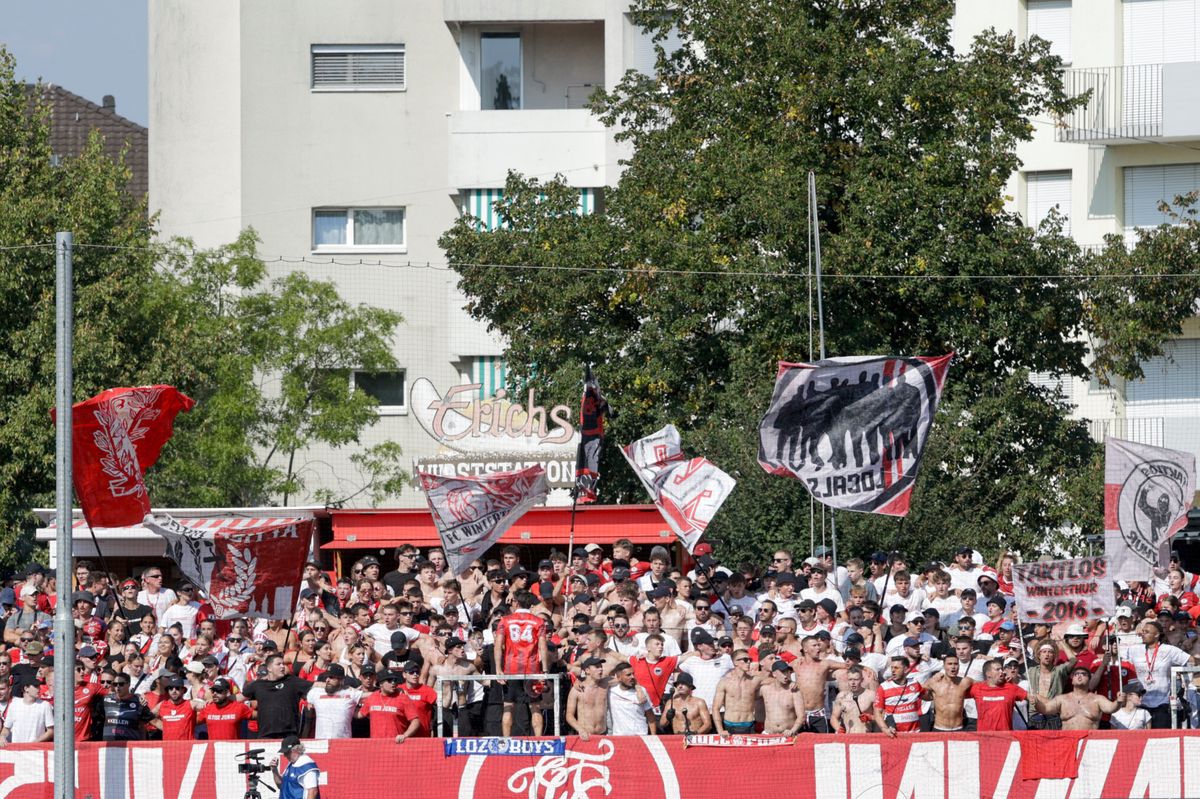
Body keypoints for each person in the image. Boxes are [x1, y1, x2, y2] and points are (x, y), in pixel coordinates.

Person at [495, 591, 550, 737]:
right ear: (531, 605)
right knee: (535, 707)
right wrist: (544, 670)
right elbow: (542, 647)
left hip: (511, 669)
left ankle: (506, 741)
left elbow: (497, 644)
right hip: (532, 669)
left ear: (516, 602)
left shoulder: (504, 620)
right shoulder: (539, 622)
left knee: (508, 706)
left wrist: (498, 669)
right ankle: (538, 740)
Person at [1125, 620, 1196, 728]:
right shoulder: (1134, 650)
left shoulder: (1169, 650)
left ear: (1157, 635)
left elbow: (1192, 661)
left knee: (1161, 740)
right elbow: (1121, 664)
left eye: (1147, 632)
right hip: (1140, 704)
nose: (1143, 634)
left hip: (1162, 704)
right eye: (1143, 631)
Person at [243, 654, 313, 739]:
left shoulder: (292, 681)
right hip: (266, 735)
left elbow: (315, 685)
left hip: (289, 735)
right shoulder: (258, 685)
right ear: (269, 668)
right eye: (278, 664)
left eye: (283, 664)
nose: (282, 666)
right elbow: (240, 698)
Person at [1032, 665, 1122, 730]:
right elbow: (1045, 709)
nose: (1079, 675)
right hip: (1067, 743)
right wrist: (1036, 703)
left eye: (1083, 674)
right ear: (1072, 681)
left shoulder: (1098, 699)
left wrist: (1118, 701)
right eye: (1076, 674)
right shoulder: (1062, 699)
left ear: (1089, 680)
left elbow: (1111, 708)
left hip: (1089, 743)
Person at [712, 649, 767, 736]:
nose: (748, 662)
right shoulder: (724, 682)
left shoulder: (755, 680)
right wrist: (720, 730)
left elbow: (774, 680)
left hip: (750, 725)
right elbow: (715, 708)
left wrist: (791, 684)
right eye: (745, 660)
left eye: (750, 660)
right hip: (729, 725)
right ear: (735, 662)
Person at [305, 664, 361, 740]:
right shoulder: (315, 692)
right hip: (322, 745)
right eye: (327, 677)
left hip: (343, 744)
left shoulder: (350, 692)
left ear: (341, 680)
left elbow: (369, 696)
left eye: (331, 677)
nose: (327, 680)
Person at [968, 660, 1026, 732]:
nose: (1002, 671)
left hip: (1005, 737)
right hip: (984, 738)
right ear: (988, 673)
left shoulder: (1011, 687)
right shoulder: (977, 688)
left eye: (1001, 669)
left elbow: (1032, 697)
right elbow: (957, 695)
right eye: (997, 669)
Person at [924, 653, 975, 732]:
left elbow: (985, 686)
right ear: (944, 666)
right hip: (939, 728)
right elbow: (917, 692)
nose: (953, 667)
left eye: (956, 664)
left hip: (959, 728)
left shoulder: (965, 682)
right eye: (949, 664)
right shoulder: (934, 682)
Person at [875, 656, 924, 737]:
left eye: (896, 668)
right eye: (892, 668)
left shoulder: (915, 683)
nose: (893, 670)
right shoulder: (883, 687)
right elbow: (877, 712)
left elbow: (927, 697)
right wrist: (884, 729)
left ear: (906, 669)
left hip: (915, 734)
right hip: (895, 735)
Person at [101, 672, 154, 741]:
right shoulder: (105, 700)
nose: (118, 687)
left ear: (128, 684)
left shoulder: (138, 701)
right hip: (109, 746)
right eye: (115, 684)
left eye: (121, 684)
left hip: (130, 746)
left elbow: (147, 722)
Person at [606, 662, 655, 735]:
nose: (632, 677)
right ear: (619, 677)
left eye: (633, 674)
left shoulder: (641, 691)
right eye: (628, 675)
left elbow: (650, 716)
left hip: (640, 736)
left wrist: (654, 737)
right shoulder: (611, 691)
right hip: (619, 738)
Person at [566, 657, 608, 741]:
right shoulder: (577, 690)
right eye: (597, 667)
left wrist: (636, 686)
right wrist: (580, 730)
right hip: (585, 736)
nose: (601, 669)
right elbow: (569, 715)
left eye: (601, 666)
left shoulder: (606, 684)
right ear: (587, 671)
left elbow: (622, 677)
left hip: (603, 735)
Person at [359, 670, 409, 740]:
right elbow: (359, 715)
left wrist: (405, 735)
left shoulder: (403, 698)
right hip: (377, 744)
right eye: (389, 680)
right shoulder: (372, 697)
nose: (393, 683)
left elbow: (415, 721)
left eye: (394, 680)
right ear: (381, 683)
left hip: (396, 744)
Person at [395, 661, 437, 742]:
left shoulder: (427, 690)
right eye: (411, 672)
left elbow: (442, 704)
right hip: (401, 737)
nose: (415, 674)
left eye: (417, 672)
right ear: (404, 675)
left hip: (422, 736)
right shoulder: (397, 690)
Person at [831, 665, 875, 734]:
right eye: (850, 679)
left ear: (862, 680)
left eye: (856, 679)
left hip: (865, 737)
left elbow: (882, 716)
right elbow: (834, 717)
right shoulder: (841, 696)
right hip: (848, 737)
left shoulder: (871, 695)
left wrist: (870, 717)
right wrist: (838, 729)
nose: (853, 683)